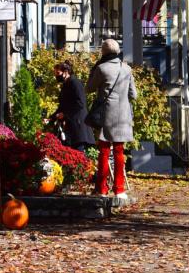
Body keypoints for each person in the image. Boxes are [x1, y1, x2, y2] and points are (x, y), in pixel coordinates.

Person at [86, 39, 137, 203]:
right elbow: (133, 95)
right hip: (123, 116)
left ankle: (101, 189)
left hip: (107, 114)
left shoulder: (101, 68)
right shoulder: (126, 69)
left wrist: (94, 70)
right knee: (119, 152)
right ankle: (119, 189)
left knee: (104, 152)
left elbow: (89, 88)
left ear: (103, 52)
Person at [52, 61, 95, 151]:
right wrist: (51, 118)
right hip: (71, 127)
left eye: (58, 73)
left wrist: (65, 114)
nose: (56, 76)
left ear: (66, 72)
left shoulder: (75, 83)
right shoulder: (66, 85)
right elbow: (63, 106)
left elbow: (80, 103)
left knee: (78, 155)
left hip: (78, 125)